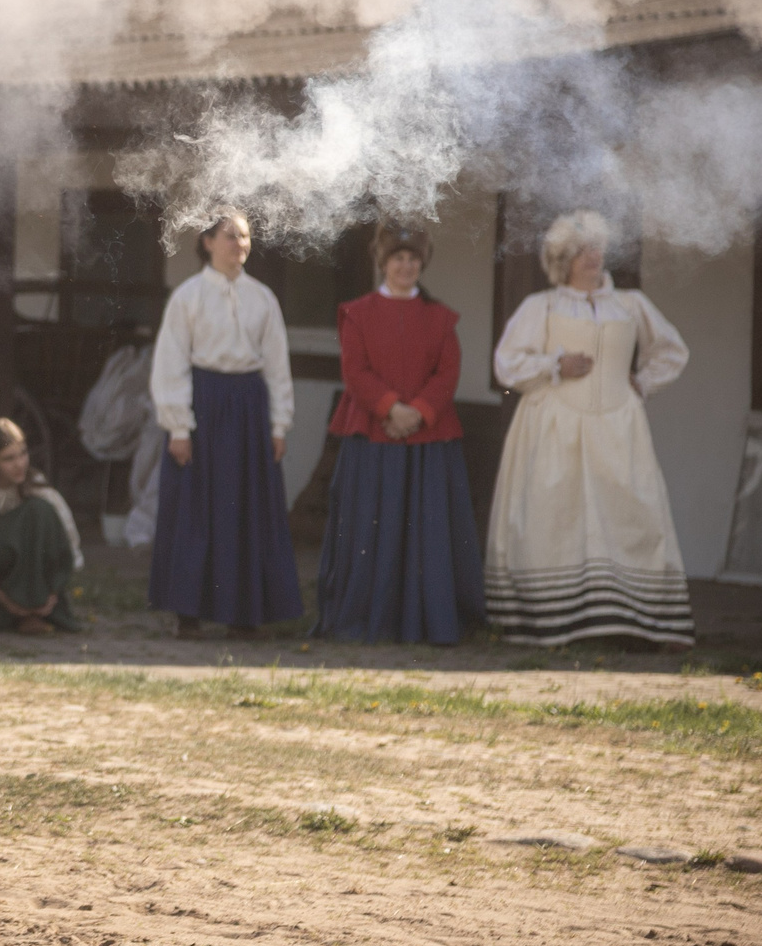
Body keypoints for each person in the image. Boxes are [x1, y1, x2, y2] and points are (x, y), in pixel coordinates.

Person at [486, 210, 694, 646]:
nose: (592, 257)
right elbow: (507, 364)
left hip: (619, 427)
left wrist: (642, 382)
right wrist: (554, 365)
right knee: (555, 515)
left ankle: (629, 621)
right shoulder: (540, 307)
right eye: (581, 251)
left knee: (629, 512)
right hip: (554, 425)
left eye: (597, 248)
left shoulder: (630, 304)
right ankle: (554, 620)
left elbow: (672, 350)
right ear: (562, 260)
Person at [313, 225, 486, 644]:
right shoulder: (357, 313)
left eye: (412, 259)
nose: (405, 266)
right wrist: (391, 408)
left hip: (427, 440)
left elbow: (448, 373)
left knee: (424, 532)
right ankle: (366, 619)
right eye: (397, 259)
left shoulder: (441, 318)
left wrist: (418, 413)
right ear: (383, 263)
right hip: (373, 434)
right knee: (372, 531)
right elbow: (355, 371)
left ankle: (427, 622)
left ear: (421, 263)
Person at [146, 210, 302, 634]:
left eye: (246, 236)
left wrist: (277, 425)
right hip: (203, 407)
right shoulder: (188, 297)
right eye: (231, 236)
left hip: (250, 410)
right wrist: (179, 426)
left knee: (246, 509)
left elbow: (276, 365)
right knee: (196, 508)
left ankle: (244, 612)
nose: (241, 244)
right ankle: (188, 613)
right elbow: (170, 363)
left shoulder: (263, 298)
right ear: (208, 242)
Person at [0, 417, 83, 635]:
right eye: (8, 459)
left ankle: (35, 611)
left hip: (35, 586)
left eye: (23, 454)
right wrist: (5, 600)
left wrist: (53, 592)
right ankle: (17, 612)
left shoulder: (36, 486)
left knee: (39, 511)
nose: (20, 464)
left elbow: (68, 544)